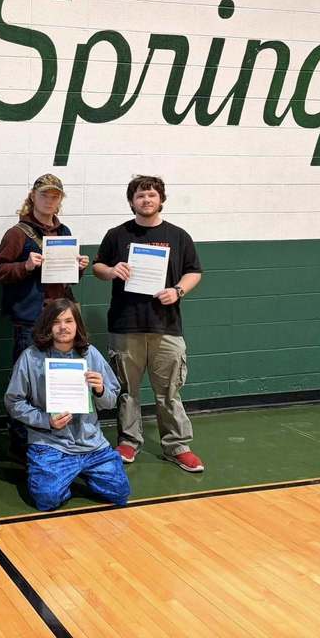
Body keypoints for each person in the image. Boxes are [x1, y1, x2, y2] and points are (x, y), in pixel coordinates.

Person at [92, 175, 204, 472]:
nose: (146, 200)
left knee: (168, 391)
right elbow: (97, 267)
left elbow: (195, 272)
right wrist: (112, 270)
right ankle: (129, 441)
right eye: (140, 196)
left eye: (151, 195)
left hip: (165, 325)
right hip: (125, 324)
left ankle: (177, 446)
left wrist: (178, 290)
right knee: (127, 390)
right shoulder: (117, 235)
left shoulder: (179, 236)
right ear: (132, 201)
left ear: (161, 199)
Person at [0, 174, 90, 455]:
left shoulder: (64, 230)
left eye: (55, 195)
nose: (49, 199)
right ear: (33, 196)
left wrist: (79, 267)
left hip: (60, 317)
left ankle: (57, 438)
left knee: (59, 380)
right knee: (27, 382)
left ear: (60, 200)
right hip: (31, 320)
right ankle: (22, 443)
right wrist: (26, 266)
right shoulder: (17, 233)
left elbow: (67, 279)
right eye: (45, 194)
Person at [4, 299, 130, 511]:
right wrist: (46, 421)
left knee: (120, 493)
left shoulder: (90, 354)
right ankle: (58, 475)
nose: (63, 327)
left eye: (69, 321)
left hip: (91, 443)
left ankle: (73, 473)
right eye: (56, 322)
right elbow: (13, 401)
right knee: (47, 499)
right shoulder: (31, 357)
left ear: (77, 325)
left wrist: (100, 390)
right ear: (47, 326)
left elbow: (110, 400)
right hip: (50, 444)